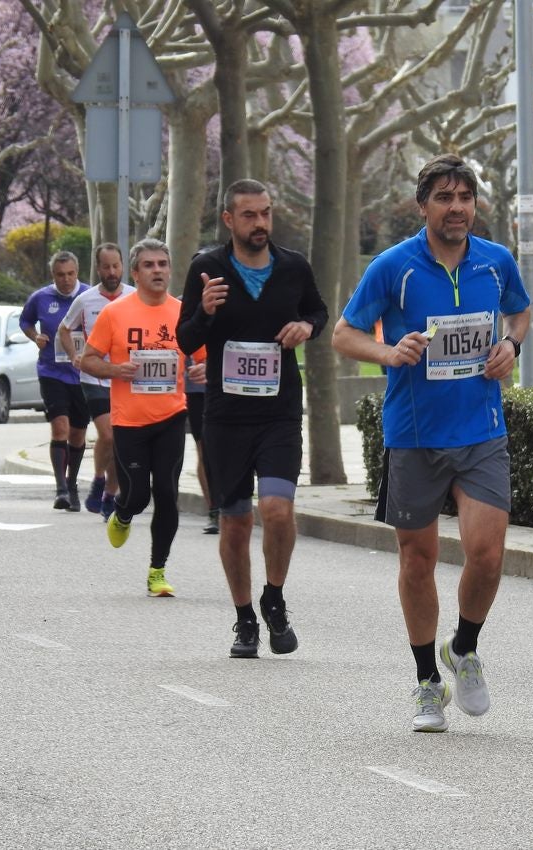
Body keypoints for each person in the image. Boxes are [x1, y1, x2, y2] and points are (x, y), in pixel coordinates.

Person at [332, 153, 531, 733]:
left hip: (481, 432)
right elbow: (343, 334)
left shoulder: (495, 263)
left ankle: (463, 647)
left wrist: (512, 347)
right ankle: (426, 682)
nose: (457, 208)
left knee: (487, 554)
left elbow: (518, 315)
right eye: (444, 198)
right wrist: (389, 353)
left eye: (464, 198)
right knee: (417, 560)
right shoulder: (394, 267)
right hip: (414, 435)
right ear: (424, 207)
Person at [177, 178, 328, 660]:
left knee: (278, 509)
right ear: (229, 220)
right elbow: (184, 338)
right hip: (226, 417)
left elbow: (318, 311)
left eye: (265, 213)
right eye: (249, 215)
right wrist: (203, 312)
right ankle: (245, 618)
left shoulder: (293, 267)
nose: (260, 223)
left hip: (279, 411)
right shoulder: (208, 269)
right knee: (236, 521)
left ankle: (274, 596)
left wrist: (307, 326)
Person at [82, 239, 203, 598]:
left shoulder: (183, 313)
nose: (157, 271)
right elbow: (87, 359)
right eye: (149, 265)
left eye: (163, 264)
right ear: (135, 273)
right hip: (129, 422)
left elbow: (207, 357)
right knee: (137, 496)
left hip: (171, 417)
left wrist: (203, 371)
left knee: (167, 493)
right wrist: (116, 369)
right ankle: (122, 511)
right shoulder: (115, 314)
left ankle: (157, 570)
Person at [58, 243, 133, 521]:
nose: (112, 272)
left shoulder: (134, 297)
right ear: (98, 268)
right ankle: (101, 479)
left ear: (123, 266)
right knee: (110, 434)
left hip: (125, 380)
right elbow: (64, 329)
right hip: (94, 377)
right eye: (106, 267)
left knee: (119, 441)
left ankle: (107, 491)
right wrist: (74, 355)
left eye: (116, 266)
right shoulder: (85, 300)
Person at [20, 250, 90, 510]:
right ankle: (60, 488)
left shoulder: (89, 296)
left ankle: (72, 484)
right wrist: (34, 336)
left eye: (71, 274)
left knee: (78, 434)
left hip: (83, 374)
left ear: (77, 273)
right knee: (60, 427)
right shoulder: (40, 298)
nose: (66, 280)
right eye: (61, 275)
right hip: (52, 371)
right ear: (53, 275)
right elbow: (25, 321)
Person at [185, 354, 219, 534]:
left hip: (230, 384)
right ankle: (214, 510)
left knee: (228, 448)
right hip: (196, 387)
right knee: (204, 447)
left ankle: (231, 504)